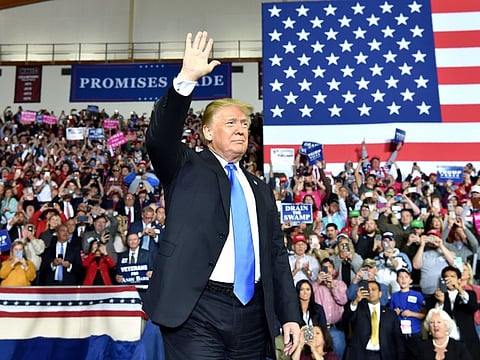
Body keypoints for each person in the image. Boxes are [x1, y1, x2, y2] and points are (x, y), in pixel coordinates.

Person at [142, 31, 301, 359]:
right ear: (207, 132)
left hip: (254, 315)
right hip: (196, 309)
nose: (241, 129)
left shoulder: (259, 187)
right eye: (230, 123)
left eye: (244, 124)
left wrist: (291, 315)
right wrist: (186, 78)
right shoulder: (185, 166)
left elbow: (275, 255)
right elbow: (159, 140)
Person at [343, 280, 406, 360]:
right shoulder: (358, 310)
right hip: (360, 355)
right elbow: (346, 318)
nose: (370, 292)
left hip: (383, 355)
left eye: (373, 289)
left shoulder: (390, 314)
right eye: (368, 290)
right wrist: (355, 301)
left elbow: (398, 339)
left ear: (380, 294)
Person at [426, 265, 480, 358]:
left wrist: (459, 288)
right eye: (446, 277)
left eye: (453, 277)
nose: (449, 279)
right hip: (445, 344)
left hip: (467, 341)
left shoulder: (469, 294)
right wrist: (441, 302)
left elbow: (473, 307)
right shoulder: (434, 297)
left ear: (459, 280)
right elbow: (436, 318)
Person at [312, 258, 347, 360]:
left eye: (330, 267)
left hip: (335, 327)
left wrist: (332, 286)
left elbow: (343, 300)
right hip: (318, 327)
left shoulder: (340, 284)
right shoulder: (315, 285)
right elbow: (308, 298)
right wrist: (317, 282)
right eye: (325, 267)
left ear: (334, 271)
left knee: (338, 354)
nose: (327, 270)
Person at [389, 269, 425, 358]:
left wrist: (411, 314)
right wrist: (394, 313)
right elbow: (389, 316)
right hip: (399, 333)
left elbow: (424, 315)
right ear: (397, 280)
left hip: (414, 332)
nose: (403, 280)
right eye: (401, 277)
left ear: (410, 280)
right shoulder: (394, 296)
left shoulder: (418, 295)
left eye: (406, 277)